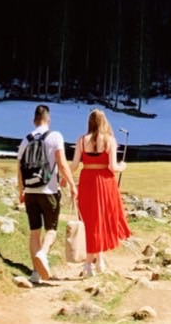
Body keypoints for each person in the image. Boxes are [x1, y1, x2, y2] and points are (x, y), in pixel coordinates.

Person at [16, 104, 74, 282]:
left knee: (34, 232)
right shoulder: (55, 136)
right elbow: (62, 164)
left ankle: (35, 273)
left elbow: (19, 169)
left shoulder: (25, 141)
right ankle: (43, 254)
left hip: (31, 191)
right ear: (48, 120)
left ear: (34, 120)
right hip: (49, 191)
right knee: (52, 230)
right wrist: (72, 184)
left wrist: (21, 191)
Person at [72, 108, 131, 275]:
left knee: (89, 220)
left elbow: (75, 164)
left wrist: (65, 177)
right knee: (101, 220)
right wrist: (122, 166)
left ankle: (98, 262)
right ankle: (90, 264)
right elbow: (113, 166)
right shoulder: (110, 140)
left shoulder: (82, 140)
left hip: (87, 181)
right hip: (105, 183)